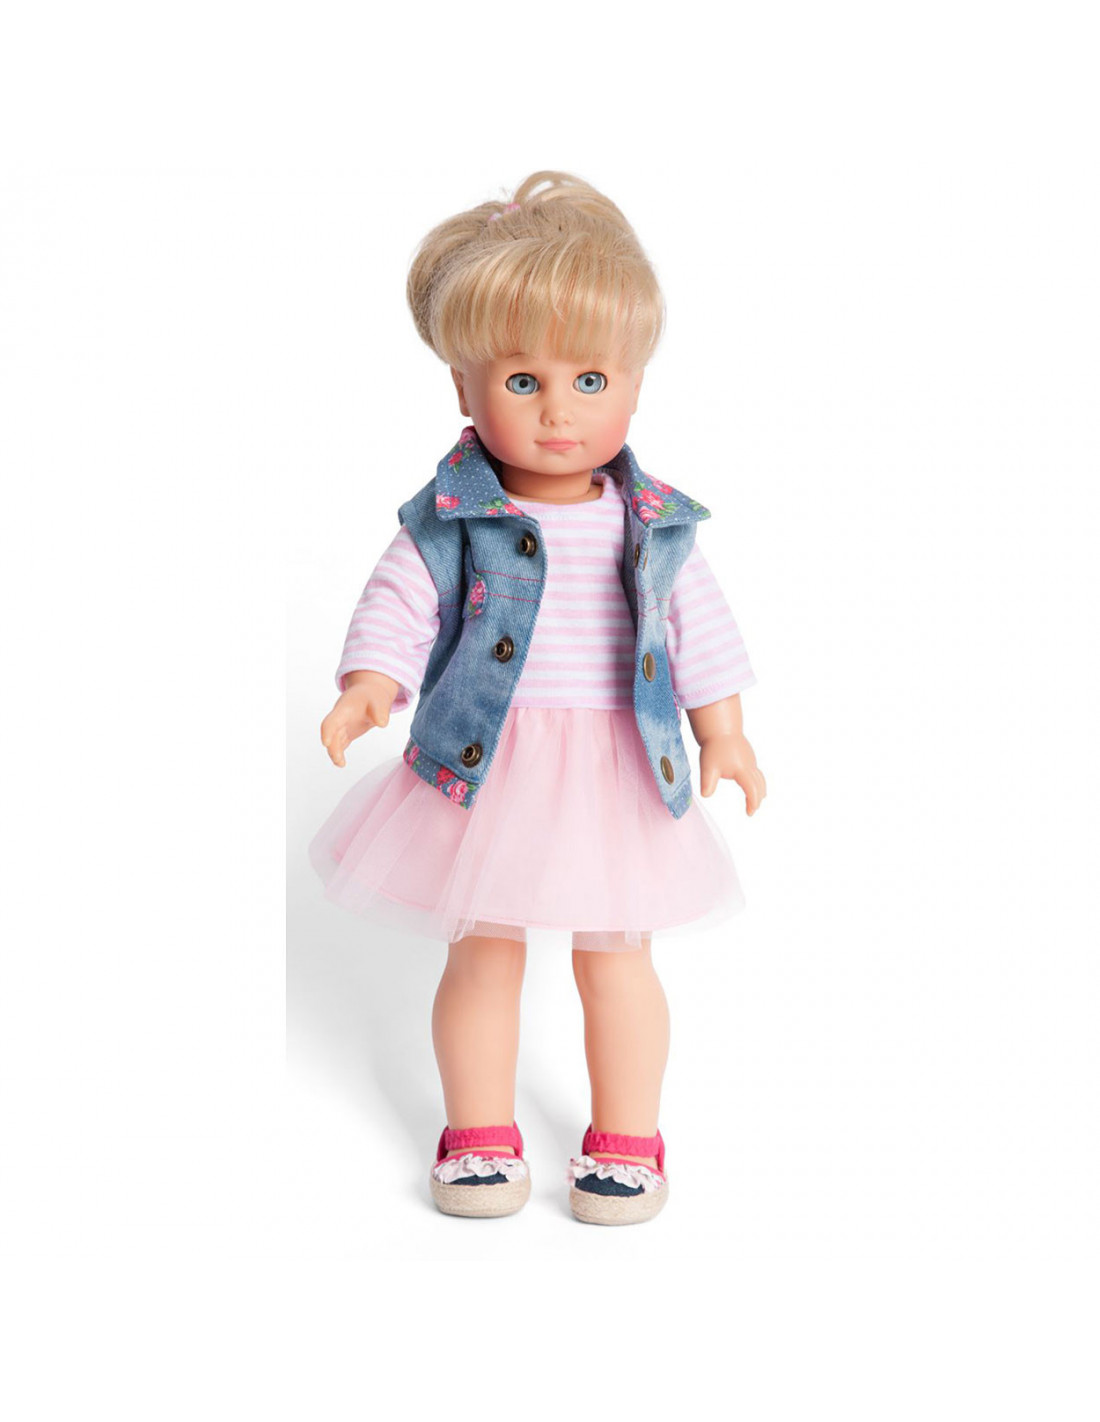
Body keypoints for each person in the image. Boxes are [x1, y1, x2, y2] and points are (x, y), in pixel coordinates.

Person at [310, 171, 766, 1225]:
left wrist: (726, 732)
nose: (559, 409)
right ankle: (477, 1130)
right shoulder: (451, 519)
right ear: (463, 390)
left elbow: (697, 629)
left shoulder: (653, 525)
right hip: (488, 771)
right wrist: (369, 684)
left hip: (617, 772)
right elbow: (399, 602)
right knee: (484, 952)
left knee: (619, 961)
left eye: (590, 378)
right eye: (522, 381)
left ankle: (628, 1137)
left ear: (636, 385)